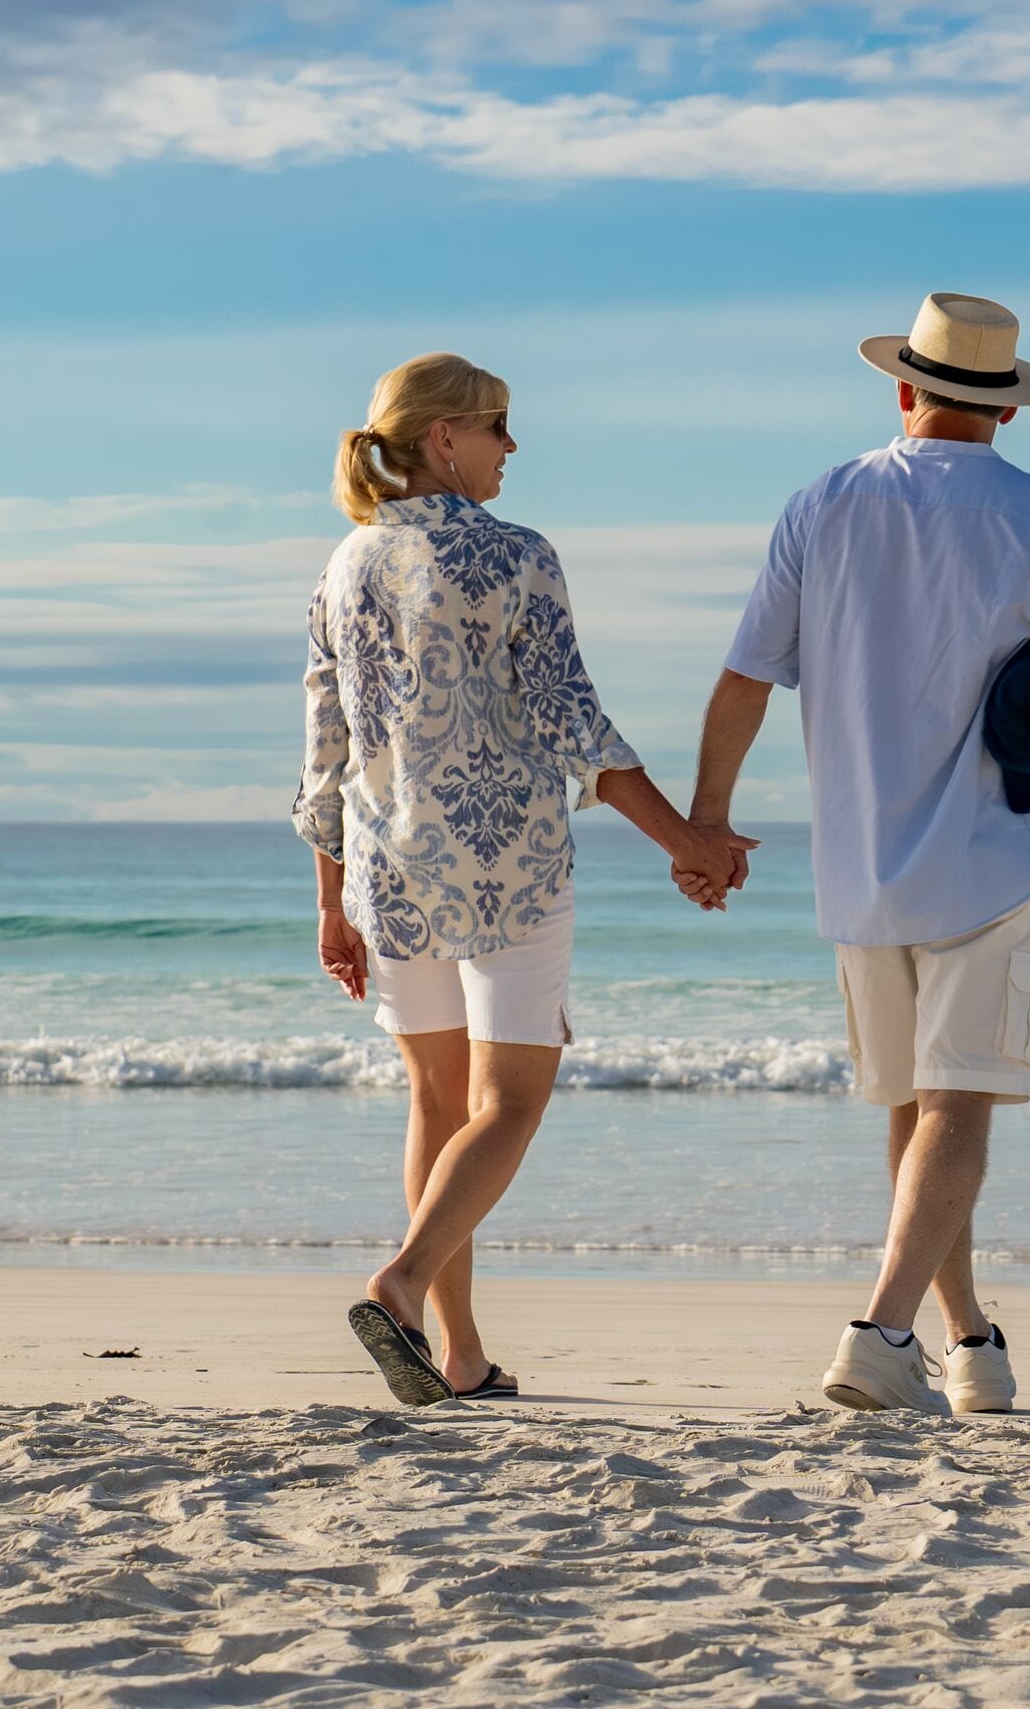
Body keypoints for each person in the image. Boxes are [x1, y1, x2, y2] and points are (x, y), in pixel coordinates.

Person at [685, 293, 1030, 1414]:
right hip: (988, 860)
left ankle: (970, 1342)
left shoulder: (825, 501)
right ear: (1006, 410)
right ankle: (883, 1331)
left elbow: (747, 676)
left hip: (859, 864)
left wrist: (708, 820)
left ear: (904, 388)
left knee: (912, 1108)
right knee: (958, 1107)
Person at [295, 352, 751, 1407]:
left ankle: (456, 1359)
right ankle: (401, 1285)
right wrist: (688, 840)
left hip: (390, 876)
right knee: (507, 1106)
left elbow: (324, 757)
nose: (512, 447)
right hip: (509, 869)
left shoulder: (342, 565)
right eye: (498, 427)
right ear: (444, 439)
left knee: (436, 1103)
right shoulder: (517, 557)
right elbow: (574, 722)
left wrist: (330, 903)